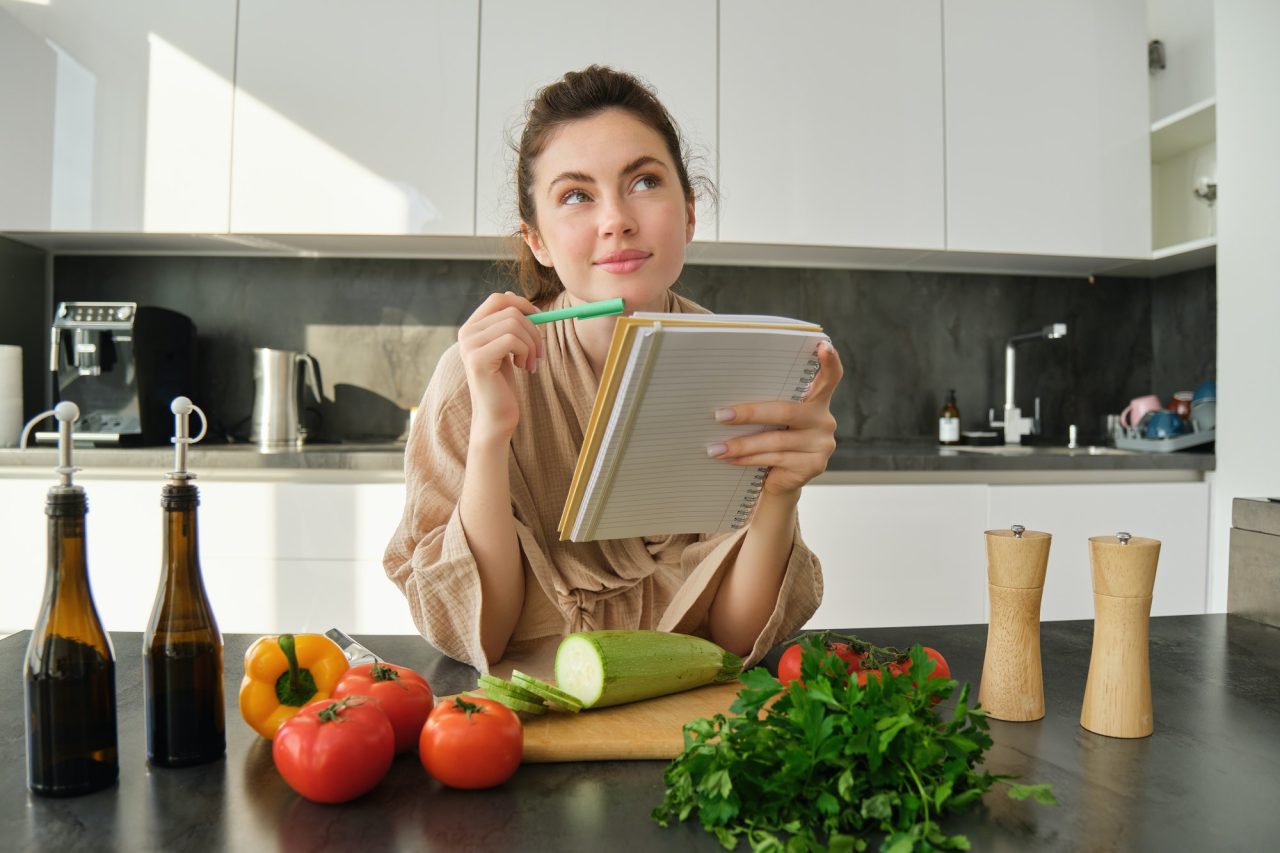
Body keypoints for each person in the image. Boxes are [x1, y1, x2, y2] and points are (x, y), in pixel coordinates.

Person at [384, 66, 843, 671]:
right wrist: (492, 433)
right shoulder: (474, 375)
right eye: (576, 195)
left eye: (645, 181)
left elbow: (735, 639)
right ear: (538, 241)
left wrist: (780, 494)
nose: (615, 220)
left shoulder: (741, 365)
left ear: (688, 215)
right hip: (529, 724)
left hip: (691, 715)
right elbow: (485, 635)